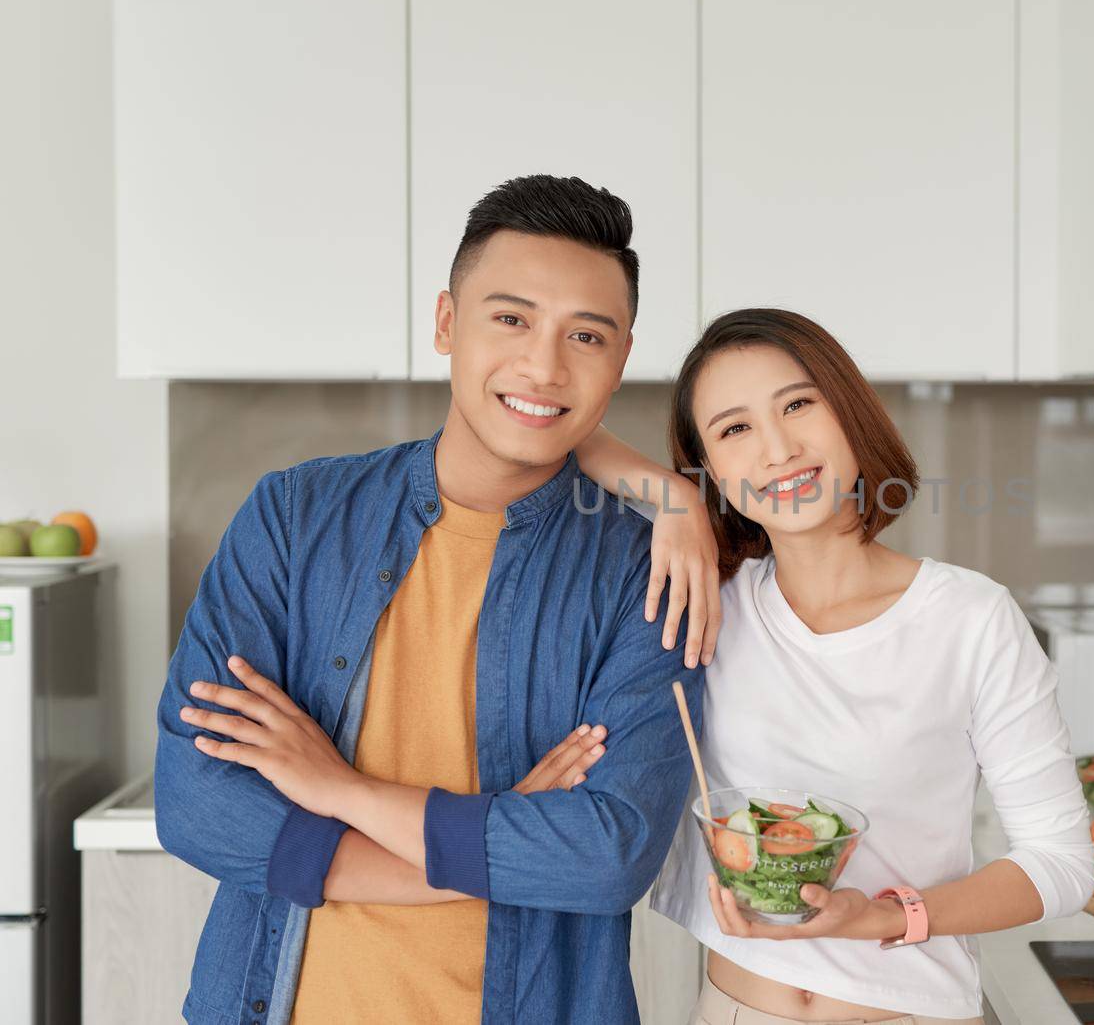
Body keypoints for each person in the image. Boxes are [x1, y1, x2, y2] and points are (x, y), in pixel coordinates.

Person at [153, 174, 706, 1025]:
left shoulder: (650, 577)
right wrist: (487, 841)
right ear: (447, 323)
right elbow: (197, 801)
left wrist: (337, 791)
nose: (544, 365)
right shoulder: (297, 517)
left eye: (586, 336)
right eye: (511, 318)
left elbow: (607, 857)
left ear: (621, 359)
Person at [575, 308, 1094, 1024]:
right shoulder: (706, 606)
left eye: (797, 405)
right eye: (735, 429)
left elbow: (1060, 866)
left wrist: (881, 917)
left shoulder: (972, 620)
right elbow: (566, 430)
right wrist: (672, 497)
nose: (778, 449)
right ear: (711, 471)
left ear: (848, 412)